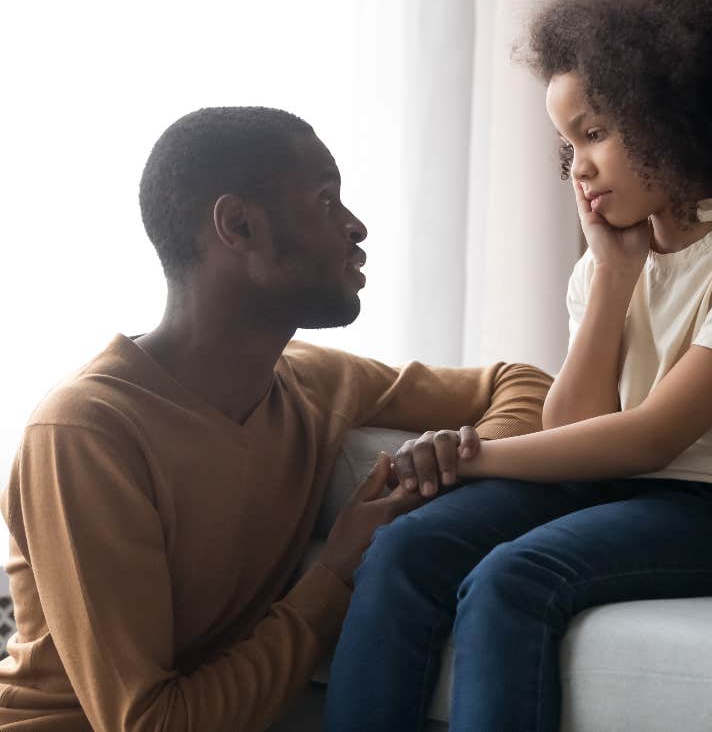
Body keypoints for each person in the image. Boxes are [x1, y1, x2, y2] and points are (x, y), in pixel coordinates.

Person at [324, 0, 712, 732]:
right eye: (567, 146)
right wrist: (610, 277)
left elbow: (651, 435)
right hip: (618, 489)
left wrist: (470, 455)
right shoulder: (613, 258)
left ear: (673, 114)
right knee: (405, 549)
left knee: (513, 578)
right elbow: (571, 433)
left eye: (594, 133)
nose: (579, 168)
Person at [0, 107, 553, 732]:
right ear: (238, 225)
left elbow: (523, 383)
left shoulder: (313, 381)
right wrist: (334, 575)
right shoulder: (87, 434)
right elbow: (151, 725)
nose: (357, 226)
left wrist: (465, 462)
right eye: (326, 202)